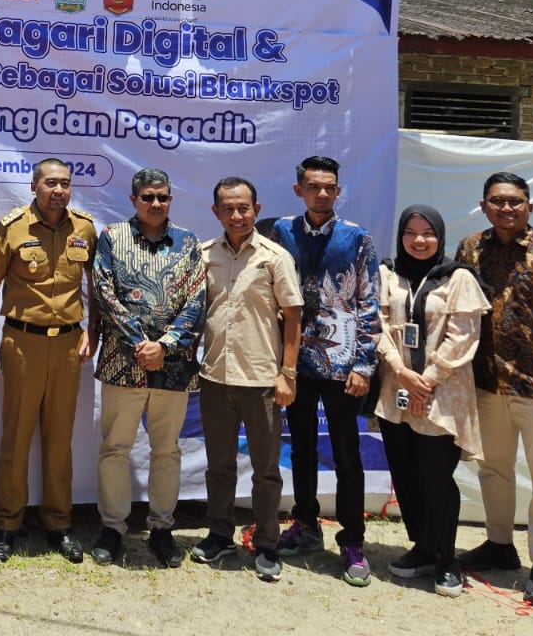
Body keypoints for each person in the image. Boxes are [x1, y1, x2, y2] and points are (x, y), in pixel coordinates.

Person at [455, 171, 533, 609]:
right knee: (493, 470)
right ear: (484, 205)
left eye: (515, 201)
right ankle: (499, 545)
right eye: (497, 201)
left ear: (529, 206)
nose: (506, 208)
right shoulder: (470, 249)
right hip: (487, 384)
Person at [265, 155, 380, 587]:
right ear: (299, 190)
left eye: (330, 187)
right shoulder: (282, 233)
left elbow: (369, 302)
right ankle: (306, 524)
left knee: (347, 456)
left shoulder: (356, 238)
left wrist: (363, 364)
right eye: (314, 187)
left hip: (341, 363)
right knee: (301, 450)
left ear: (338, 190)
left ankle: (352, 541)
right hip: (294, 363)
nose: (322, 194)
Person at [0, 157, 95, 565]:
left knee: (60, 440)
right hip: (22, 342)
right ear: (34, 186)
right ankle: (7, 524)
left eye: (65, 183)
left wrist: (93, 330)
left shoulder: (84, 228)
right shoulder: (13, 227)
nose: (59, 190)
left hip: (68, 345)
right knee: (16, 436)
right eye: (50, 183)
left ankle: (59, 523)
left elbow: (97, 284)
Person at [89, 168, 204, 568]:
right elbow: (103, 293)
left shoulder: (188, 243)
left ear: (171, 199)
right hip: (123, 363)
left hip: (173, 369)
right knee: (115, 448)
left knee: (167, 451)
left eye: (163, 197)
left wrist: (164, 346)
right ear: (134, 199)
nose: (156, 203)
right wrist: (141, 344)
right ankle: (112, 527)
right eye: (148, 197)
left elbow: (197, 301)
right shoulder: (112, 237)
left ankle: (161, 529)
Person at [374, 204, 488, 600]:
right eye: (410, 232)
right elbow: (377, 324)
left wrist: (429, 379)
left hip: (443, 392)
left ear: (440, 236)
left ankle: (447, 559)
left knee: (436, 477)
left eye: (427, 233)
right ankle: (422, 548)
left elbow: (463, 336)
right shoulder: (388, 274)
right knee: (406, 474)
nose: (418, 240)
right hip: (397, 389)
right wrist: (401, 371)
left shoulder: (459, 278)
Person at [189, 177, 301, 582]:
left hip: (261, 379)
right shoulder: (204, 255)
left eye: (244, 208)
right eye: (228, 208)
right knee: (219, 465)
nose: (236, 215)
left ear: (256, 209)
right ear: (216, 211)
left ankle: (267, 543)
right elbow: (195, 313)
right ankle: (219, 535)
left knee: (266, 469)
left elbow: (293, 316)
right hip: (215, 377)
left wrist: (287, 374)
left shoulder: (275, 257)